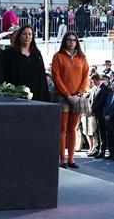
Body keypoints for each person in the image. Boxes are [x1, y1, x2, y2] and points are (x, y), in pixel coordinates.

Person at [51, 32, 89, 169]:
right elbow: (56, 77)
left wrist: (79, 94)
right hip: (62, 96)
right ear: (64, 41)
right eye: (69, 40)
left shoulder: (82, 57)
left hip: (77, 96)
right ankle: (62, 160)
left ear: (77, 42)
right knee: (62, 129)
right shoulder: (58, 56)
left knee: (72, 129)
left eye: (74, 40)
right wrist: (68, 95)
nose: (72, 42)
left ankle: (71, 160)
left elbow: (86, 77)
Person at [2, 25, 49, 102]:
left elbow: (42, 74)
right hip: (16, 94)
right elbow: (5, 73)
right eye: (24, 34)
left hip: (36, 93)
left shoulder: (36, 53)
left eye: (30, 34)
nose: (27, 36)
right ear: (19, 36)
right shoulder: (10, 53)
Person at [91, 73, 109, 159]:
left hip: (101, 114)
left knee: (102, 133)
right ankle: (96, 149)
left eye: (94, 81)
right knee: (96, 132)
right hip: (95, 114)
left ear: (98, 79)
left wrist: (93, 109)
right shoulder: (96, 88)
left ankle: (102, 151)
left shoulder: (104, 89)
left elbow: (101, 102)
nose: (93, 83)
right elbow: (93, 100)